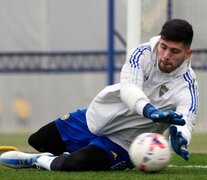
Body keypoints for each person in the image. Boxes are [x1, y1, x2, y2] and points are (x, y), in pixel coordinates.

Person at [0, 19, 198, 171]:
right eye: (163, 47)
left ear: (187, 54)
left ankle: (40, 160)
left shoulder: (187, 86)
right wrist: (148, 110)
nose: (165, 56)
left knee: (75, 164)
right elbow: (130, 89)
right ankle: (68, 154)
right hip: (95, 117)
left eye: (174, 51)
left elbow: (187, 119)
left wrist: (181, 137)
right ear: (159, 40)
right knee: (38, 140)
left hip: (125, 142)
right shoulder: (142, 53)